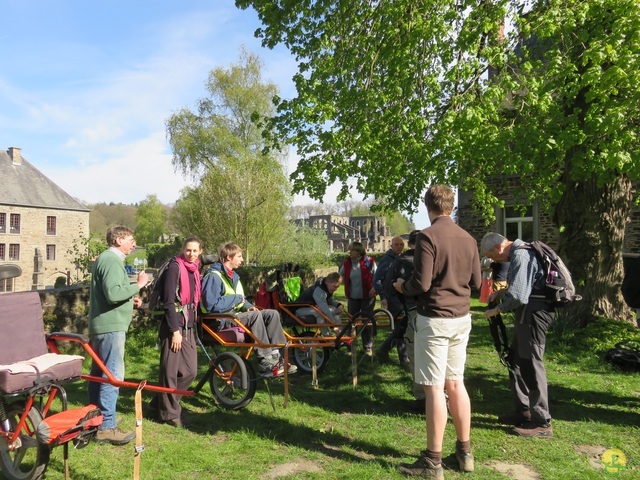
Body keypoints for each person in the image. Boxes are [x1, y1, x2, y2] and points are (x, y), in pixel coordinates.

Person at [394, 185, 481, 478]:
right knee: (456, 383)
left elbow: (421, 284)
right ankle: (465, 452)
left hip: (435, 319)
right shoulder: (469, 238)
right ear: (451, 206)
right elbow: (478, 284)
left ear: (428, 206)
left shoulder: (429, 236)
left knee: (434, 389)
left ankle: (433, 462)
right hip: (461, 317)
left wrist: (401, 288)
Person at [481, 232, 555, 438]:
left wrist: (496, 310)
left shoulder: (521, 255)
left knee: (531, 364)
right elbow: (524, 286)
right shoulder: (519, 254)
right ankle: (524, 411)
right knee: (515, 361)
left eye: (494, 257)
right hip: (527, 314)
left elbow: (520, 295)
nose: (496, 261)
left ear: (498, 247)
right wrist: (501, 293)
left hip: (533, 315)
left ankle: (542, 422)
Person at [88, 226, 149, 445]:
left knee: (98, 374)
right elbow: (113, 294)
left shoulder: (105, 259)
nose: (134, 244)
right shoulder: (112, 261)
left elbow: (109, 293)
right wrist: (138, 286)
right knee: (112, 377)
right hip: (110, 327)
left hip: (102, 325)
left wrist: (128, 299)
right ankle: (106, 427)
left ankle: (95, 419)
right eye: (131, 240)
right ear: (118, 239)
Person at [200, 242, 296, 377]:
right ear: (228, 257)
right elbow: (210, 304)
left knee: (271, 314)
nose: (242, 260)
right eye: (239, 256)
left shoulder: (234, 277)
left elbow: (241, 299)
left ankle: (277, 357)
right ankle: (265, 363)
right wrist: (236, 299)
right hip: (219, 321)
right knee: (255, 317)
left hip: (234, 316)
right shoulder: (213, 276)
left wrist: (249, 306)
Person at [149, 237, 203, 428]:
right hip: (173, 326)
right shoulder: (175, 267)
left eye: (195, 251)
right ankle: (170, 414)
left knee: (190, 371)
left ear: (200, 252)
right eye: (188, 250)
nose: (191, 254)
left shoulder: (195, 270)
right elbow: (169, 301)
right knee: (169, 372)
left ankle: (159, 402)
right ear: (182, 249)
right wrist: (174, 331)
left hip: (188, 326)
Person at [379, 230, 424, 409]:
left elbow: (391, 288)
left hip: (413, 310)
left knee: (416, 353)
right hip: (433, 312)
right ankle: (439, 395)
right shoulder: (431, 259)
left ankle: (423, 397)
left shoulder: (402, 262)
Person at [375, 235, 410, 365]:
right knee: (401, 327)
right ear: (391, 245)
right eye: (397, 244)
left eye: (401, 244)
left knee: (401, 327)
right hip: (392, 298)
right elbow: (377, 279)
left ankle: (384, 351)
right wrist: (383, 297)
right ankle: (402, 357)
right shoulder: (387, 260)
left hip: (400, 298)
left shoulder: (400, 258)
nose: (399, 247)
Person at [339, 241, 377, 356]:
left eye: (352, 250)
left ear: (358, 251)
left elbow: (378, 276)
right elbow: (340, 275)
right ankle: (351, 347)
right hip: (353, 298)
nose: (349, 252)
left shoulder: (369, 262)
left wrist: (375, 288)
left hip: (367, 297)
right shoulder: (347, 263)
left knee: (366, 322)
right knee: (352, 322)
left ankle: (368, 347)